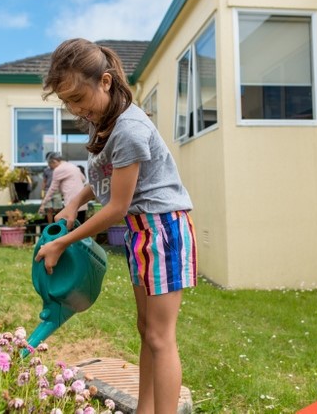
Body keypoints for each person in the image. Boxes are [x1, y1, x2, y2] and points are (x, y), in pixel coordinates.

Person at [34, 38, 197, 414]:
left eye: (78, 98)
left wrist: (62, 243)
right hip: (143, 232)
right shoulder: (105, 124)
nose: (76, 109)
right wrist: (74, 201)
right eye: (68, 102)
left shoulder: (129, 129)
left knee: (160, 336)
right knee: (146, 329)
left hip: (163, 231)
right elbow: (104, 178)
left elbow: (118, 207)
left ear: (105, 81)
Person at [38, 152, 88, 224]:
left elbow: (52, 189)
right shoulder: (73, 166)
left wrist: (43, 204)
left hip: (71, 202)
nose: (51, 168)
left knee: (71, 227)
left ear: (54, 161)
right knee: (80, 226)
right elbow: (83, 179)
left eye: (50, 165)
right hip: (82, 199)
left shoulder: (58, 170)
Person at [41, 152, 63, 223]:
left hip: (57, 191)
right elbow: (44, 181)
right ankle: (50, 224)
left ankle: (58, 224)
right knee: (48, 208)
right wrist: (42, 192)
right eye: (48, 162)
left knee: (58, 208)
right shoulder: (46, 170)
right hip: (48, 190)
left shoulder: (60, 170)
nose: (49, 164)